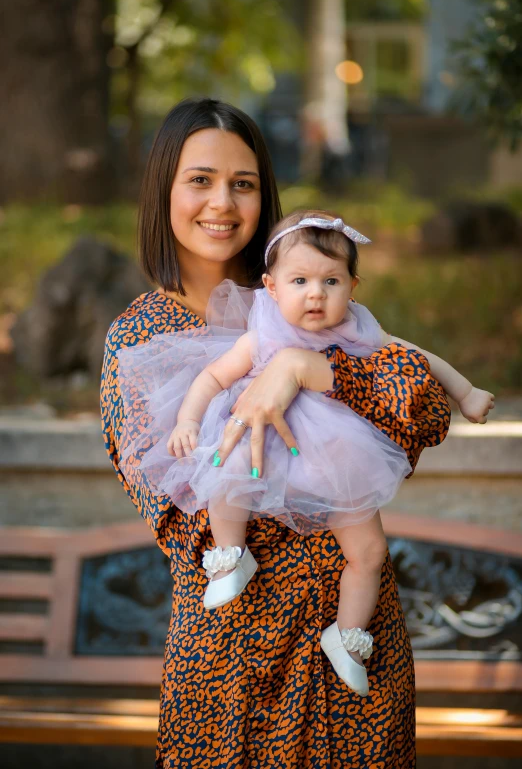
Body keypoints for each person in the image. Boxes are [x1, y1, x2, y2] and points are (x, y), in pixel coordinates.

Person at [101, 97, 451, 768]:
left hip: (355, 658)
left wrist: (304, 368)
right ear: (164, 191)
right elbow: (187, 520)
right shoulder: (142, 338)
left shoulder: (316, 305)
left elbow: (423, 412)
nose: (222, 202)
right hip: (235, 665)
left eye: (244, 183)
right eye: (200, 179)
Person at [117, 209, 493, 697]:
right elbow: (212, 378)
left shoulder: (359, 332)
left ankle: (347, 636)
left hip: (335, 462)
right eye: (300, 280)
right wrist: (188, 420)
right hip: (261, 447)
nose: (316, 293)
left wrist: (465, 393)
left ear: (353, 287)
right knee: (223, 468)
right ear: (272, 288)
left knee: (370, 551)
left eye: (331, 280)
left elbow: (417, 360)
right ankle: (231, 555)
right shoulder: (263, 335)